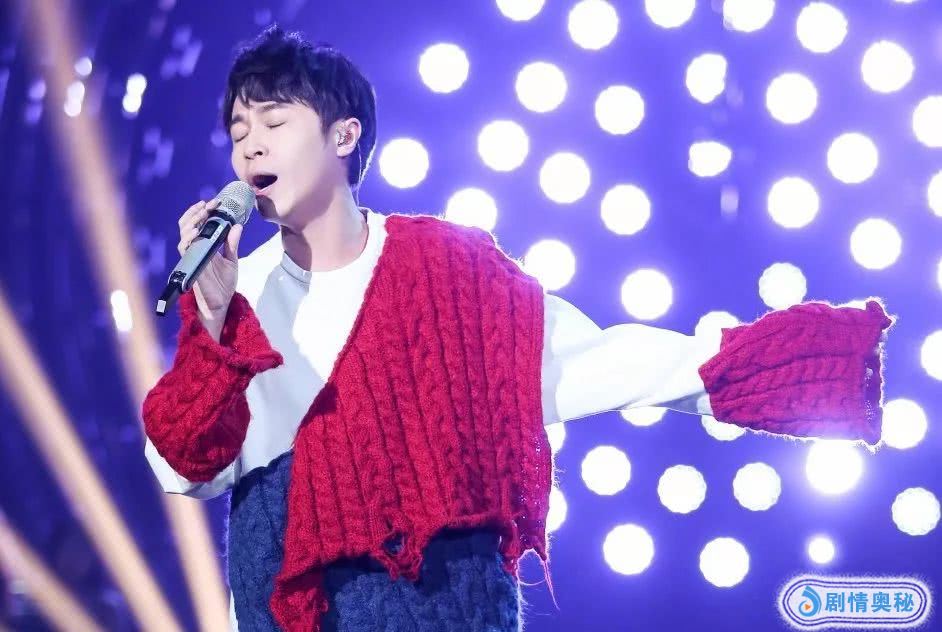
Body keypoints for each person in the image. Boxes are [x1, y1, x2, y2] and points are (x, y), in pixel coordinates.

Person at [142, 25, 895, 632]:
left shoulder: (447, 271)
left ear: (344, 136)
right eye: (239, 130)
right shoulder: (238, 295)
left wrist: (773, 369)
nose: (250, 145)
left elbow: (588, 362)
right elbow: (184, 469)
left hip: (446, 602)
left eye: (274, 122)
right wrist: (213, 318)